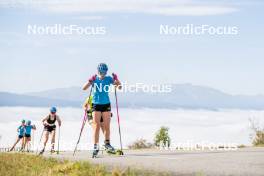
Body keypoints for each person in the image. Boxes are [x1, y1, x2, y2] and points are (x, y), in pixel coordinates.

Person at [82, 63, 121, 157]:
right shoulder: (95, 79)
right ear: (98, 71)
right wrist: (90, 80)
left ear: (106, 72)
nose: (102, 74)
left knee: (107, 125)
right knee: (96, 126)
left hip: (106, 104)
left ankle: (107, 144)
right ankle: (95, 146)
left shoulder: (109, 79)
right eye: (101, 72)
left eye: (104, 72)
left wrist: (116, 79)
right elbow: (84, 88)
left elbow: (119, 87)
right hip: (96, 104)